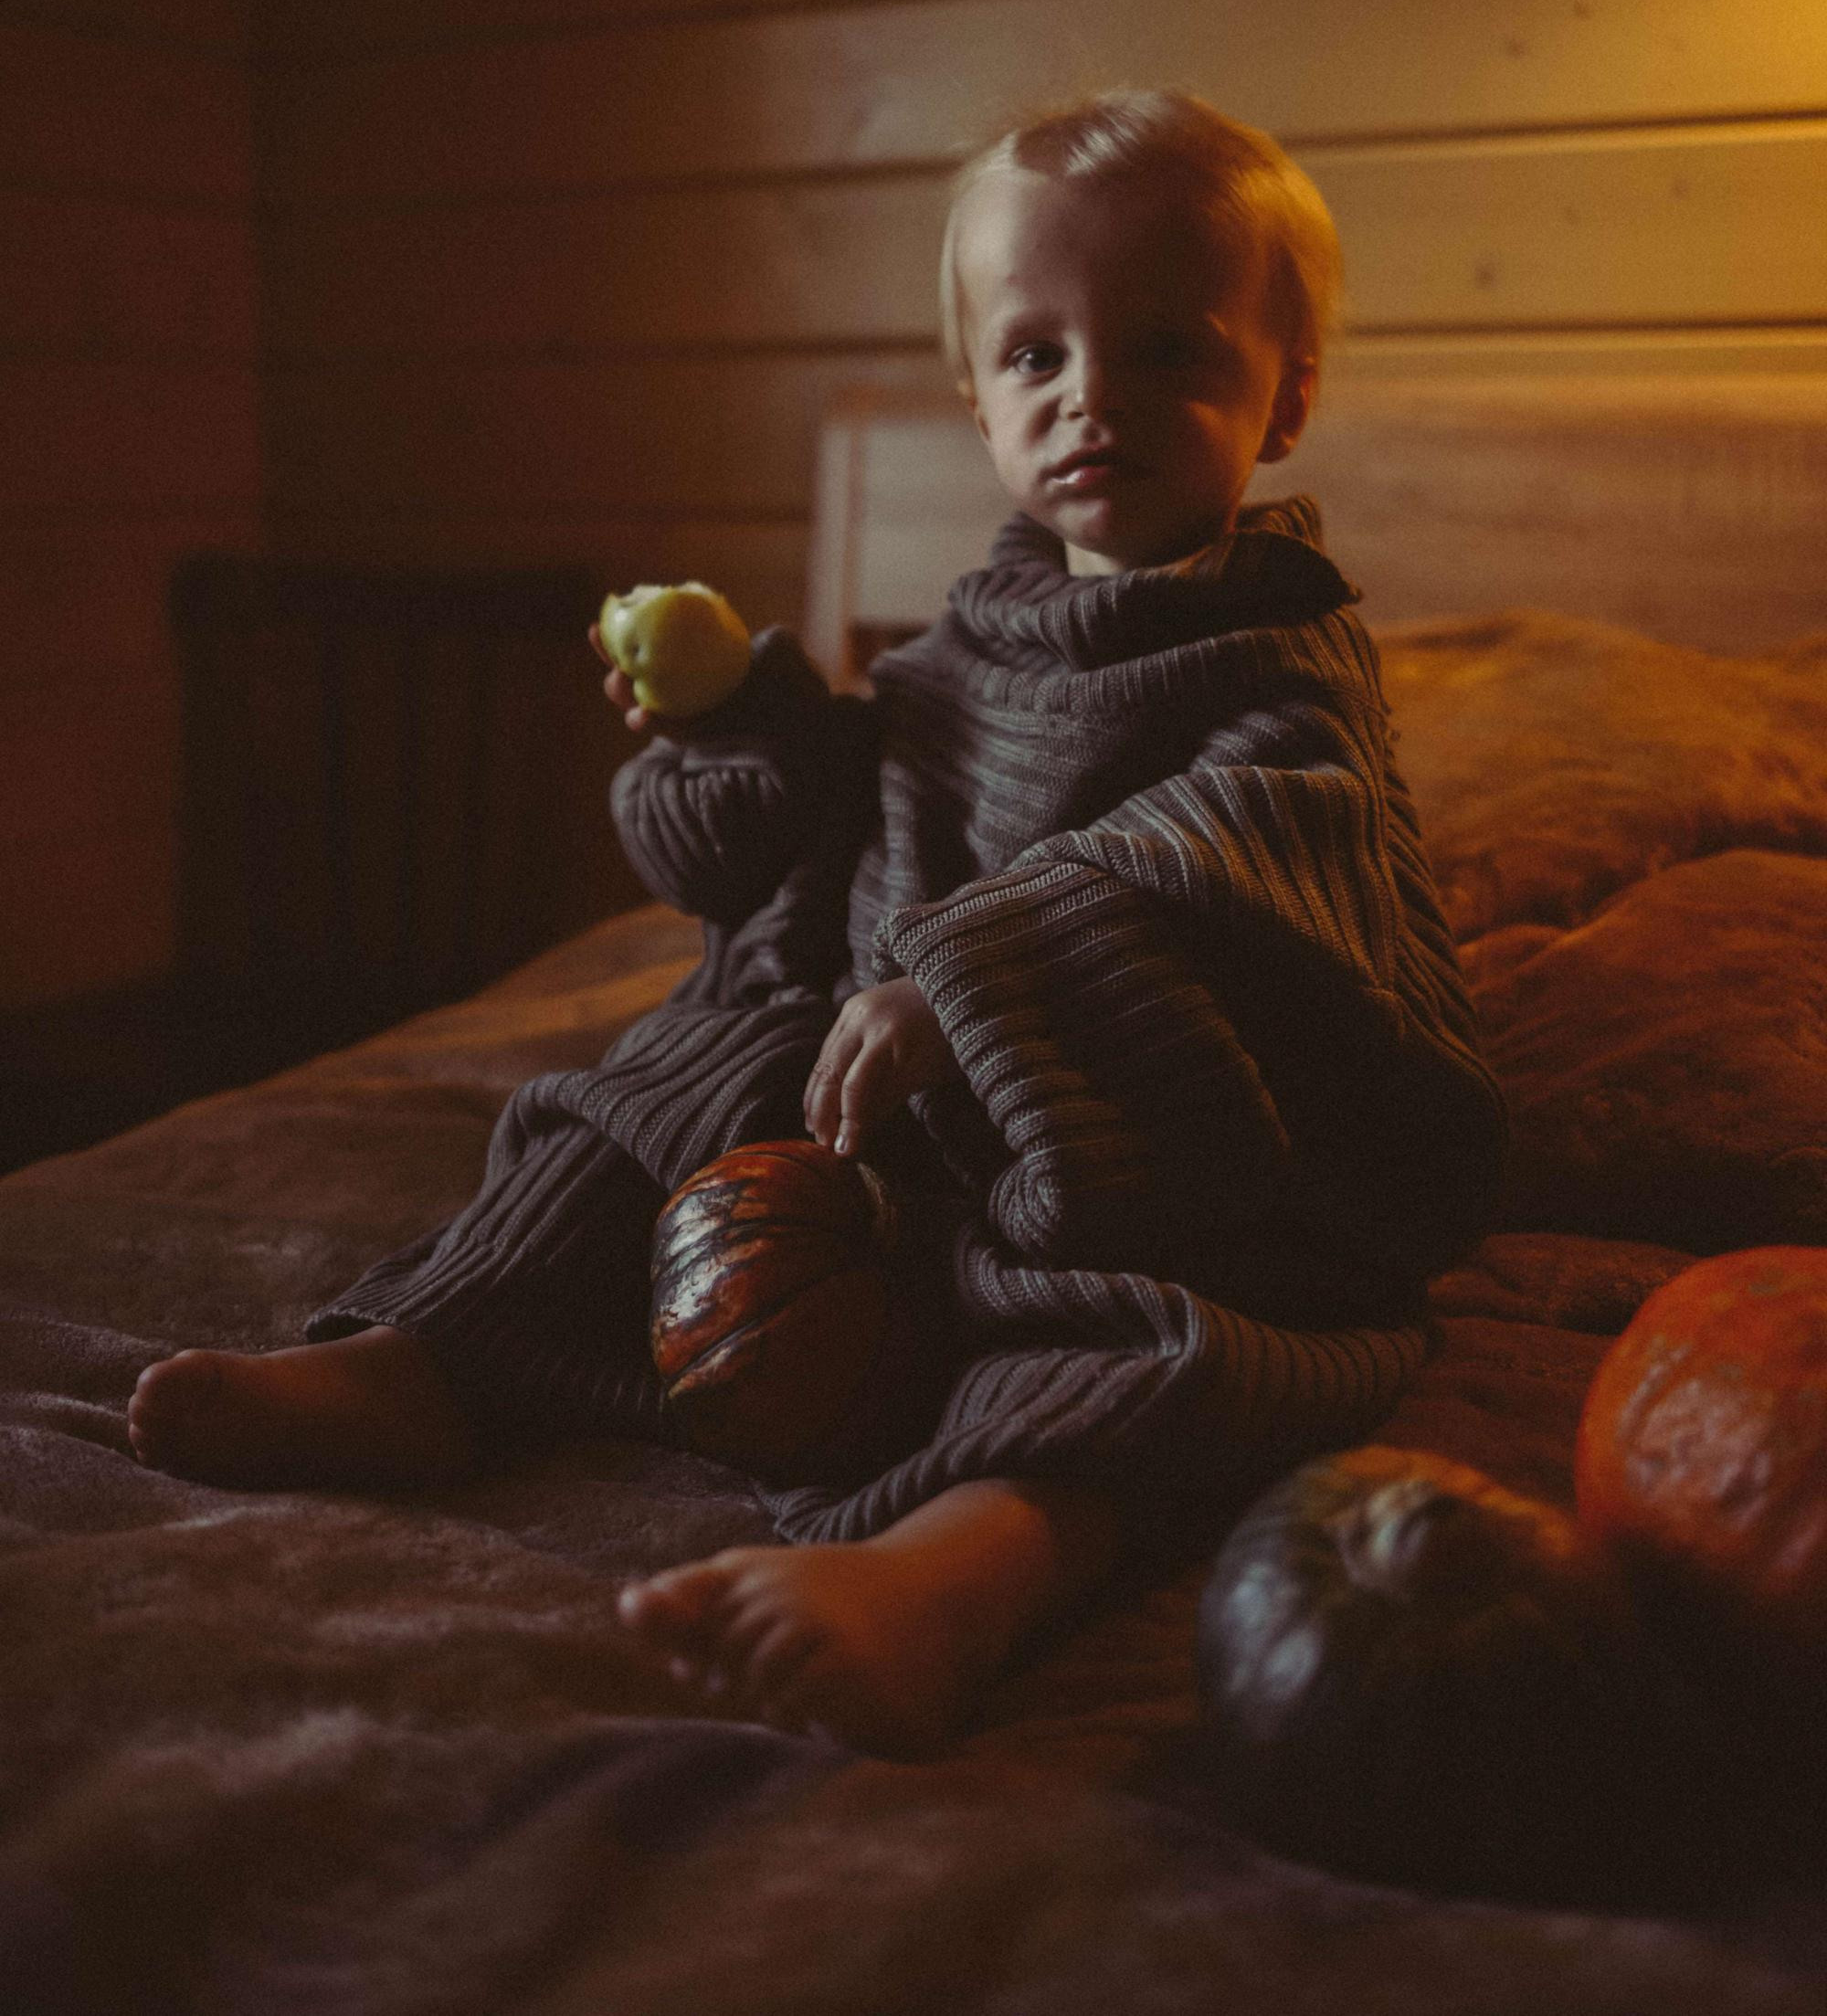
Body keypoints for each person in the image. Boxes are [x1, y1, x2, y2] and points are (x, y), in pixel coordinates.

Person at [129, 90, 1505, 1757]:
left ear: (1284, 398)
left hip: (1144, 1116)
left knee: (1191, 1318)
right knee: (665, 1082)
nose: (1094, 400)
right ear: (977, 401)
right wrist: (740, 736)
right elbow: (830, 826)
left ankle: (958, 1567)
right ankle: (442, 1359)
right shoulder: (960, 649)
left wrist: (970, 973)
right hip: (891, 1110)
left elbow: (1248, 840)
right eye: (1036, 358)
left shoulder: (1284, 656)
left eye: (1167, 352)